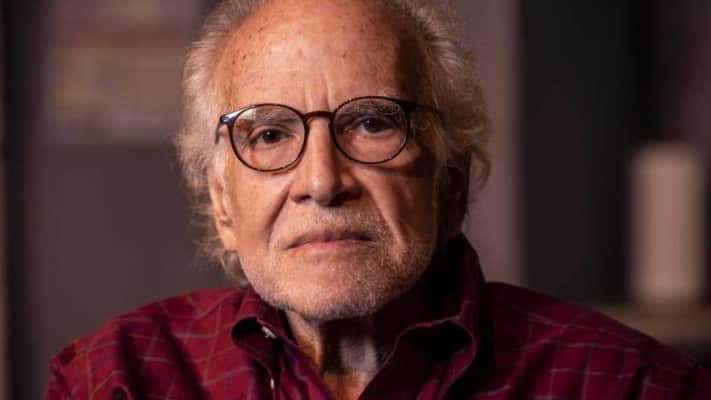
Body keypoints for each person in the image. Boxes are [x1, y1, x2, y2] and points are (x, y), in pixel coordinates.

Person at [45, 0, 711, 399]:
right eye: (269, 134)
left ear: (450, 183)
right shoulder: (116, 380)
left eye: (371, 123)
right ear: (223, 205)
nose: (321, 181)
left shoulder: (628, 385)